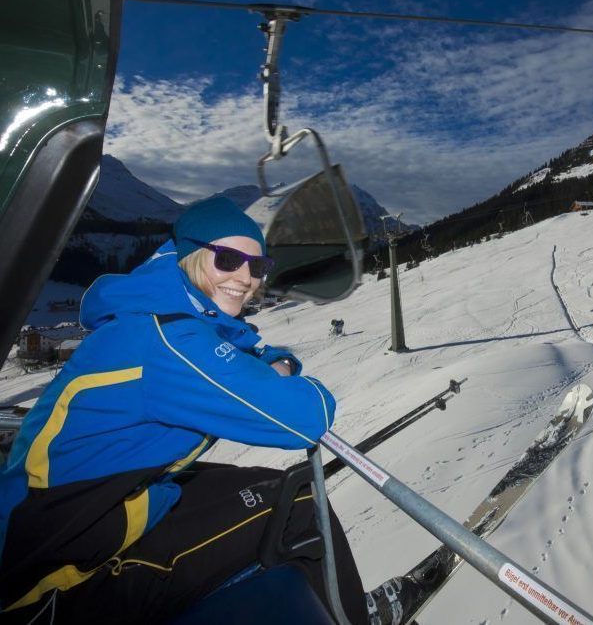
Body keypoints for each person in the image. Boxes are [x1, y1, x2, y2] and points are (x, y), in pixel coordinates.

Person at [0, 197, 369, 624]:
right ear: (191, 255)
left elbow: (238, 343)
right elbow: (305, 419)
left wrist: (277, 362)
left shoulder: (163, 311)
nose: (245, 278)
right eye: (228, 259)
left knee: (273, 486)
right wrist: (290, 378)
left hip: (96, 508)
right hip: (56, 565)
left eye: (258, 266)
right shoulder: (169, 340)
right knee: (301, 502)